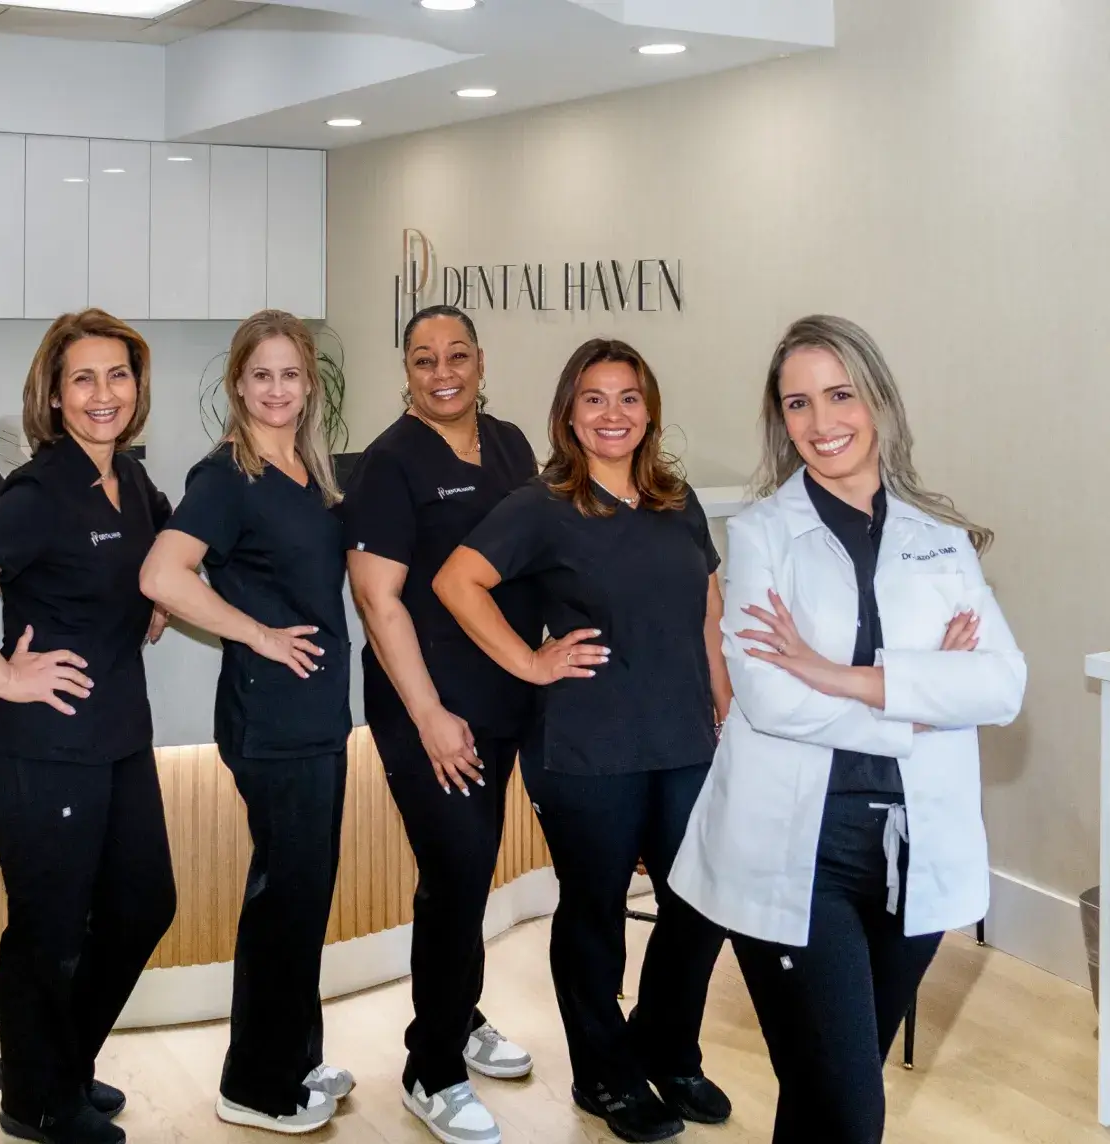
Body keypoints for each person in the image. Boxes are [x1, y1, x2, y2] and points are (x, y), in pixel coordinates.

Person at [668, 315, 1026, 1144]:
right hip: (797, 853)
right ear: (781, 419)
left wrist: (839, 675)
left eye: (840, 395)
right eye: (798, 403)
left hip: (914, 856)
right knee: (853, 1111)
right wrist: (923, 696)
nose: (822, 424)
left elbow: (1002, 684)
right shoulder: (760, 535)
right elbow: (769, 699)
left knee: (824, 1095)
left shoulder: (942, 538)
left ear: (878, 401)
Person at [434, 339, 734, 1144]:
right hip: (587, 744)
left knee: (698, 906)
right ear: (569, 412)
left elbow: (708, 601)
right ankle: (605, 1075)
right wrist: (530, 660)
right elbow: (456, 581)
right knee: (596, 912)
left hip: (683, 738)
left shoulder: (677, 498)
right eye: (595, 399)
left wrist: (723, 694)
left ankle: (669, 1052)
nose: (613, 414)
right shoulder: (543, 505)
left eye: (628, 398)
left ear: (649, 410)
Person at [0, 308, 177, 1144]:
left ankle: (51, 1060)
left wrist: (158, 598)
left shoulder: (130, 481)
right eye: (84, 379)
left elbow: (160, 562)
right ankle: (36, 1099)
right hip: (39, 746)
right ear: (55, 398)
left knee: (144, 905)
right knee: (51, 928)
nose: (104, 394)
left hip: (117, 737)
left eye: (119, 375)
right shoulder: (42, 489)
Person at [138, 310, 351, 1135]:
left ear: (310, 386)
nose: (276, 390)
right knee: (285, 901)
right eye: (260, 375)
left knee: (306, 895)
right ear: (237, 385)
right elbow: (165, 571)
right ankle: (255, 1084)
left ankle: (295, 1054)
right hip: (272, 720)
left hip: (317, 716)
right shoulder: (228, 476)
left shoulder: (306, 470)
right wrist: (257, 633)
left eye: (290, 374)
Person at [343, 304, 539, 1144]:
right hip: (427, 705)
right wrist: (428, 715)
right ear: (408, 372)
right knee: (455, 870)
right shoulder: (389, 464)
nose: (443, 370)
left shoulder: (510, 444)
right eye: (425, 359)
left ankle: (459, 1015)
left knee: (475, 868)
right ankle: (432, 1068)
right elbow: (376, 598)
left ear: (481, 361)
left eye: (457, 355)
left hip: (501, 698)